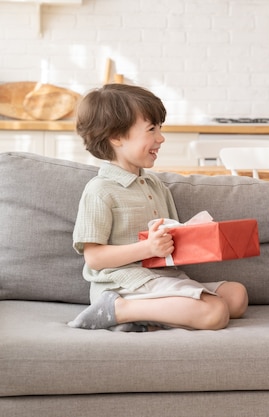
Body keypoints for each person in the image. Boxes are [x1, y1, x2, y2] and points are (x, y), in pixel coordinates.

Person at [68, 83, 248, 332]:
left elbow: (171, 243)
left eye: (159, 129)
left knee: (237, 297)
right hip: (123, 285)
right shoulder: (100, 190)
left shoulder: (155, 184)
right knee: (215, 312)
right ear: (116, 137)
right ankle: (118, 310)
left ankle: (143, 321)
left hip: (161, 278)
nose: (161, 138)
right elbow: (94, 258)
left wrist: (197, 237)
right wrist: (147, 248)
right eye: (151, 129)